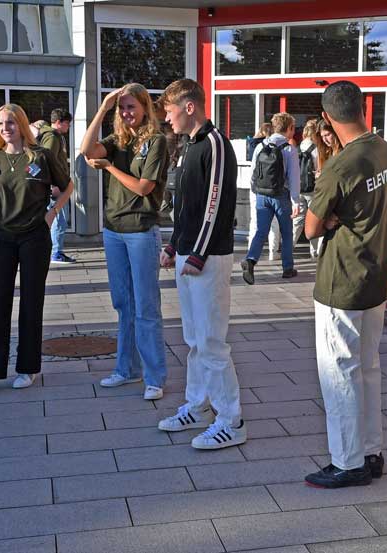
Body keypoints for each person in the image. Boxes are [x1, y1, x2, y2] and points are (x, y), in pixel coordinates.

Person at [302, 81, 387, 488]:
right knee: (368, 368)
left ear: (327, 118)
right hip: (375, 279)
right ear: (362, 108)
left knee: (339, 371)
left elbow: (309, 228)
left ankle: (347, 461)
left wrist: (328, 218)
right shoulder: (384, 150)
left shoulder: (340, 166)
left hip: (341, 281)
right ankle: (371, 452)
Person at [158, 78, 246, 450]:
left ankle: (232, 419)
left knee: (212, 342)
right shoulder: (188, 147)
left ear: (188, 106)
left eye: (169, 109)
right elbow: (186, 208)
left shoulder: (214, 144)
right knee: (194, 341)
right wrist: (174, 246)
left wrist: (197, 252)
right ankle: (198, 406)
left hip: (208, 259)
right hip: (188, 256)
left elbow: (217, 204)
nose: (167, 117)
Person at [0, 104, 73, 398]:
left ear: (22, 124)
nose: (6, 128)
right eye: (1, 123)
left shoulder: (40, 156)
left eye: (11, 123)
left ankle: (27, 368)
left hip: (35, 238)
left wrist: (52, 214)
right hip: (2, 238)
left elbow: (67, 186)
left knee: (31, 303)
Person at [80, 83, 168, 401]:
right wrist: (103, 108)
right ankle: (126, 369)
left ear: (145, 107)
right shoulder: (117, 140)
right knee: (123, 304)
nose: (127, 112)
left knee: (146, 307)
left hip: (142, 232)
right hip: (114, 232)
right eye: (122, 108)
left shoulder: (156, 142)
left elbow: (144, 188)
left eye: (132, 106)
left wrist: (110, 168)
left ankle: (155, 377)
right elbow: (85, 150)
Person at [241, 112, 300, 284]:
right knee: (286, 232)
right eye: (293, 128)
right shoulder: (289, 149)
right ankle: (288, 268)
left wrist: (256, 191)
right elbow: (294, 178)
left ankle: (250, 260)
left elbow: (253, 172)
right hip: (281, 195)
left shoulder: (261, 146)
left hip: (262, 195)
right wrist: (295, 201)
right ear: (289, 128)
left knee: (261, 230)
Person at [36, 108, 76, 264]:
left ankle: (53, 250)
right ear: (59, 122)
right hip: (56, 186)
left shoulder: (52, 136)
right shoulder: (52, 137)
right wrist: (54, 184)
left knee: (56, 218)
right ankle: (56, 252)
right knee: (59, 218)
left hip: (56, 184)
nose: (69, 127)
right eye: (67, 124)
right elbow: (47, 161)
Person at [247, 122, 279, 261]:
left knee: (255, 220)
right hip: (273, 187)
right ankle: (273, 251)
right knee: (274, 222)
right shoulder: (278, 146)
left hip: (256, 187)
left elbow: (253, 167)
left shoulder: (255, 145)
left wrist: (253, 185)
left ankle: (251, 250)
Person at [292, 119, 321, 257]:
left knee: (298, 220)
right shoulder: (315, 149)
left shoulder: (298, 147)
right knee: (314, 219)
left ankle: (289, 246)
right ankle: (314, 251)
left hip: (299, 187)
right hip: (312, 188)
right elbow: (318, 169)